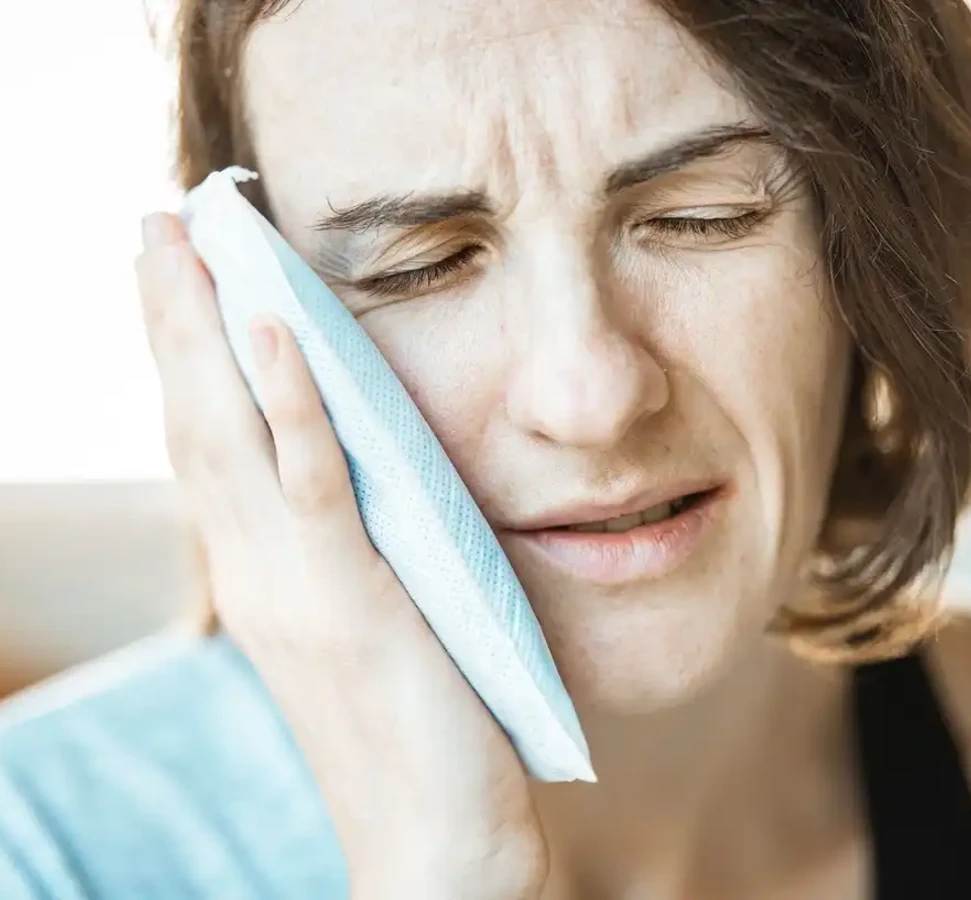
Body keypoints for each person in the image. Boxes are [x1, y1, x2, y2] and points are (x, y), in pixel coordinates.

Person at [4, 0, 971, 896]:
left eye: (699, 215)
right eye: (425, 264)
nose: (589, 397)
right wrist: (441, 871)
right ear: (239, 315)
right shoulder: (39, 853)